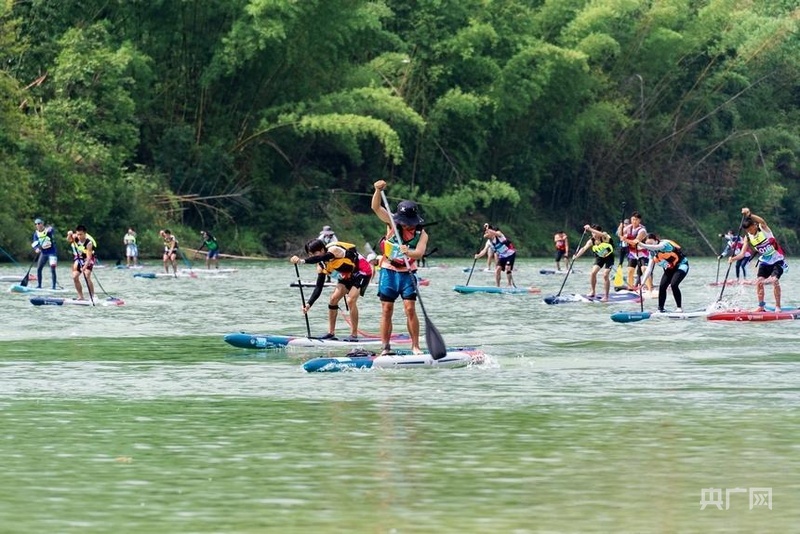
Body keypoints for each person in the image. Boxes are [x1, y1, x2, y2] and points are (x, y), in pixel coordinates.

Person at [371, 180, 429, 355]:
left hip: (407, 273)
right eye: (404, 222)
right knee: (387, 309)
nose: (406, 225)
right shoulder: (392, 223)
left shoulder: (422, 233)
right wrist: (376, 190)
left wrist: (408, 252)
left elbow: (419, 253)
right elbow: (376, 207)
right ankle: (385, 347)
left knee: (410, 308)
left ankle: (415, 346)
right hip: (389, 271)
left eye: (409, 222)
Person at [290, 239, 373, 340]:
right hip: (346, 276)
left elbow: (324, 257)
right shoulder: (320, 266)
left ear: (321, 250)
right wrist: (308, 304)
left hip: (362, 272)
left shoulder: (334, 250)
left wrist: (302, 261)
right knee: (333, 300)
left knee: (350, 300)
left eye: (314, 254)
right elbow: (319, 287)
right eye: (310, 254)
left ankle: (354, 335)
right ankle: (331, 333)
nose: (312, 257)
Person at [729, 208, 786, 312]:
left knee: (774, 281)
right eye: (748, 230)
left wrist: (749, 215)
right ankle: (761, 306)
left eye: (751, 229)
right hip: (765, 262)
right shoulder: (748, 237)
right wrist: (733, 258)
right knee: (759, 282)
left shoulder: (763, 229)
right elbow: (742, 254)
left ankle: (778, 306)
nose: (750, 232)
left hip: (777, 260)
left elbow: (762, 221)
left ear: (754, 225)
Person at [638, 233, 689, 313]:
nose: (649, 246)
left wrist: (641, 244)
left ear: (656, 240)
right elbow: (649, 269)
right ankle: (660, 308)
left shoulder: (664, 244)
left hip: (681, 266)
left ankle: (679, 307)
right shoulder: (652, 254)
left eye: (651, 243)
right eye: (648, 244)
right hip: (670, 269)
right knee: (662, 286)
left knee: (674, 285)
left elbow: (655, 247)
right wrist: (643, 283)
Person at [573, 224, 615, 301]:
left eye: (595, 233)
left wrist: (589, 229)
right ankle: (593, 291)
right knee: (593, 273)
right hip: (600, 258)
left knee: (605, 275)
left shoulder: (604, 236)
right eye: (592, 234)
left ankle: (606, 296)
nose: (594, 235)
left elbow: (602, 234)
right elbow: (583, 248)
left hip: (609, 258)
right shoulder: (591, 241)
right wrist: (576, 256)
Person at [618, 211, 652, 290]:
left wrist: (625, 239)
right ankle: (631, 287)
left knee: (644, 269)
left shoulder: (642, 230)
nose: (634, 221)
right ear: (631, 219)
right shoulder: (628, 227)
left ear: (639, 220)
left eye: (636, 220)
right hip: (633, 253)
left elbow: (634, 243)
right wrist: (621, 227)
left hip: (643, 253)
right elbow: (620, 235)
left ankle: (650, 289)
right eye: (633, 219)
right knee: (630, 270)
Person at [66, 225, 96, 300]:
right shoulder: (75, 237)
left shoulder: (89, 243)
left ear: (85, 233)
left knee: (87, 275)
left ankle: (92, 296)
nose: (79, 236)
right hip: (79, 258)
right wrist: (69, 234)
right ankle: (81, 296)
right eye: (78, 234)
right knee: (75, 277)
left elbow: (89, 257)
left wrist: (85, 266)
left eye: (81, 234)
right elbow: (69, 240)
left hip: (88, 258)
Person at [31, 217, 58, 289]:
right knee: (39, 268)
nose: (37, 225)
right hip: (44, 253)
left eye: (39, 223)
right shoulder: (36, 234)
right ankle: (39, 286)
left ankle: (54, 287)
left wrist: (50, 229)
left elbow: (52, 229)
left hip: (52, 252)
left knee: (52, 269)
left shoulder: (48, 231)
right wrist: (36, 249)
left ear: (42, 224)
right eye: (36, 224)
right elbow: (34, 244)